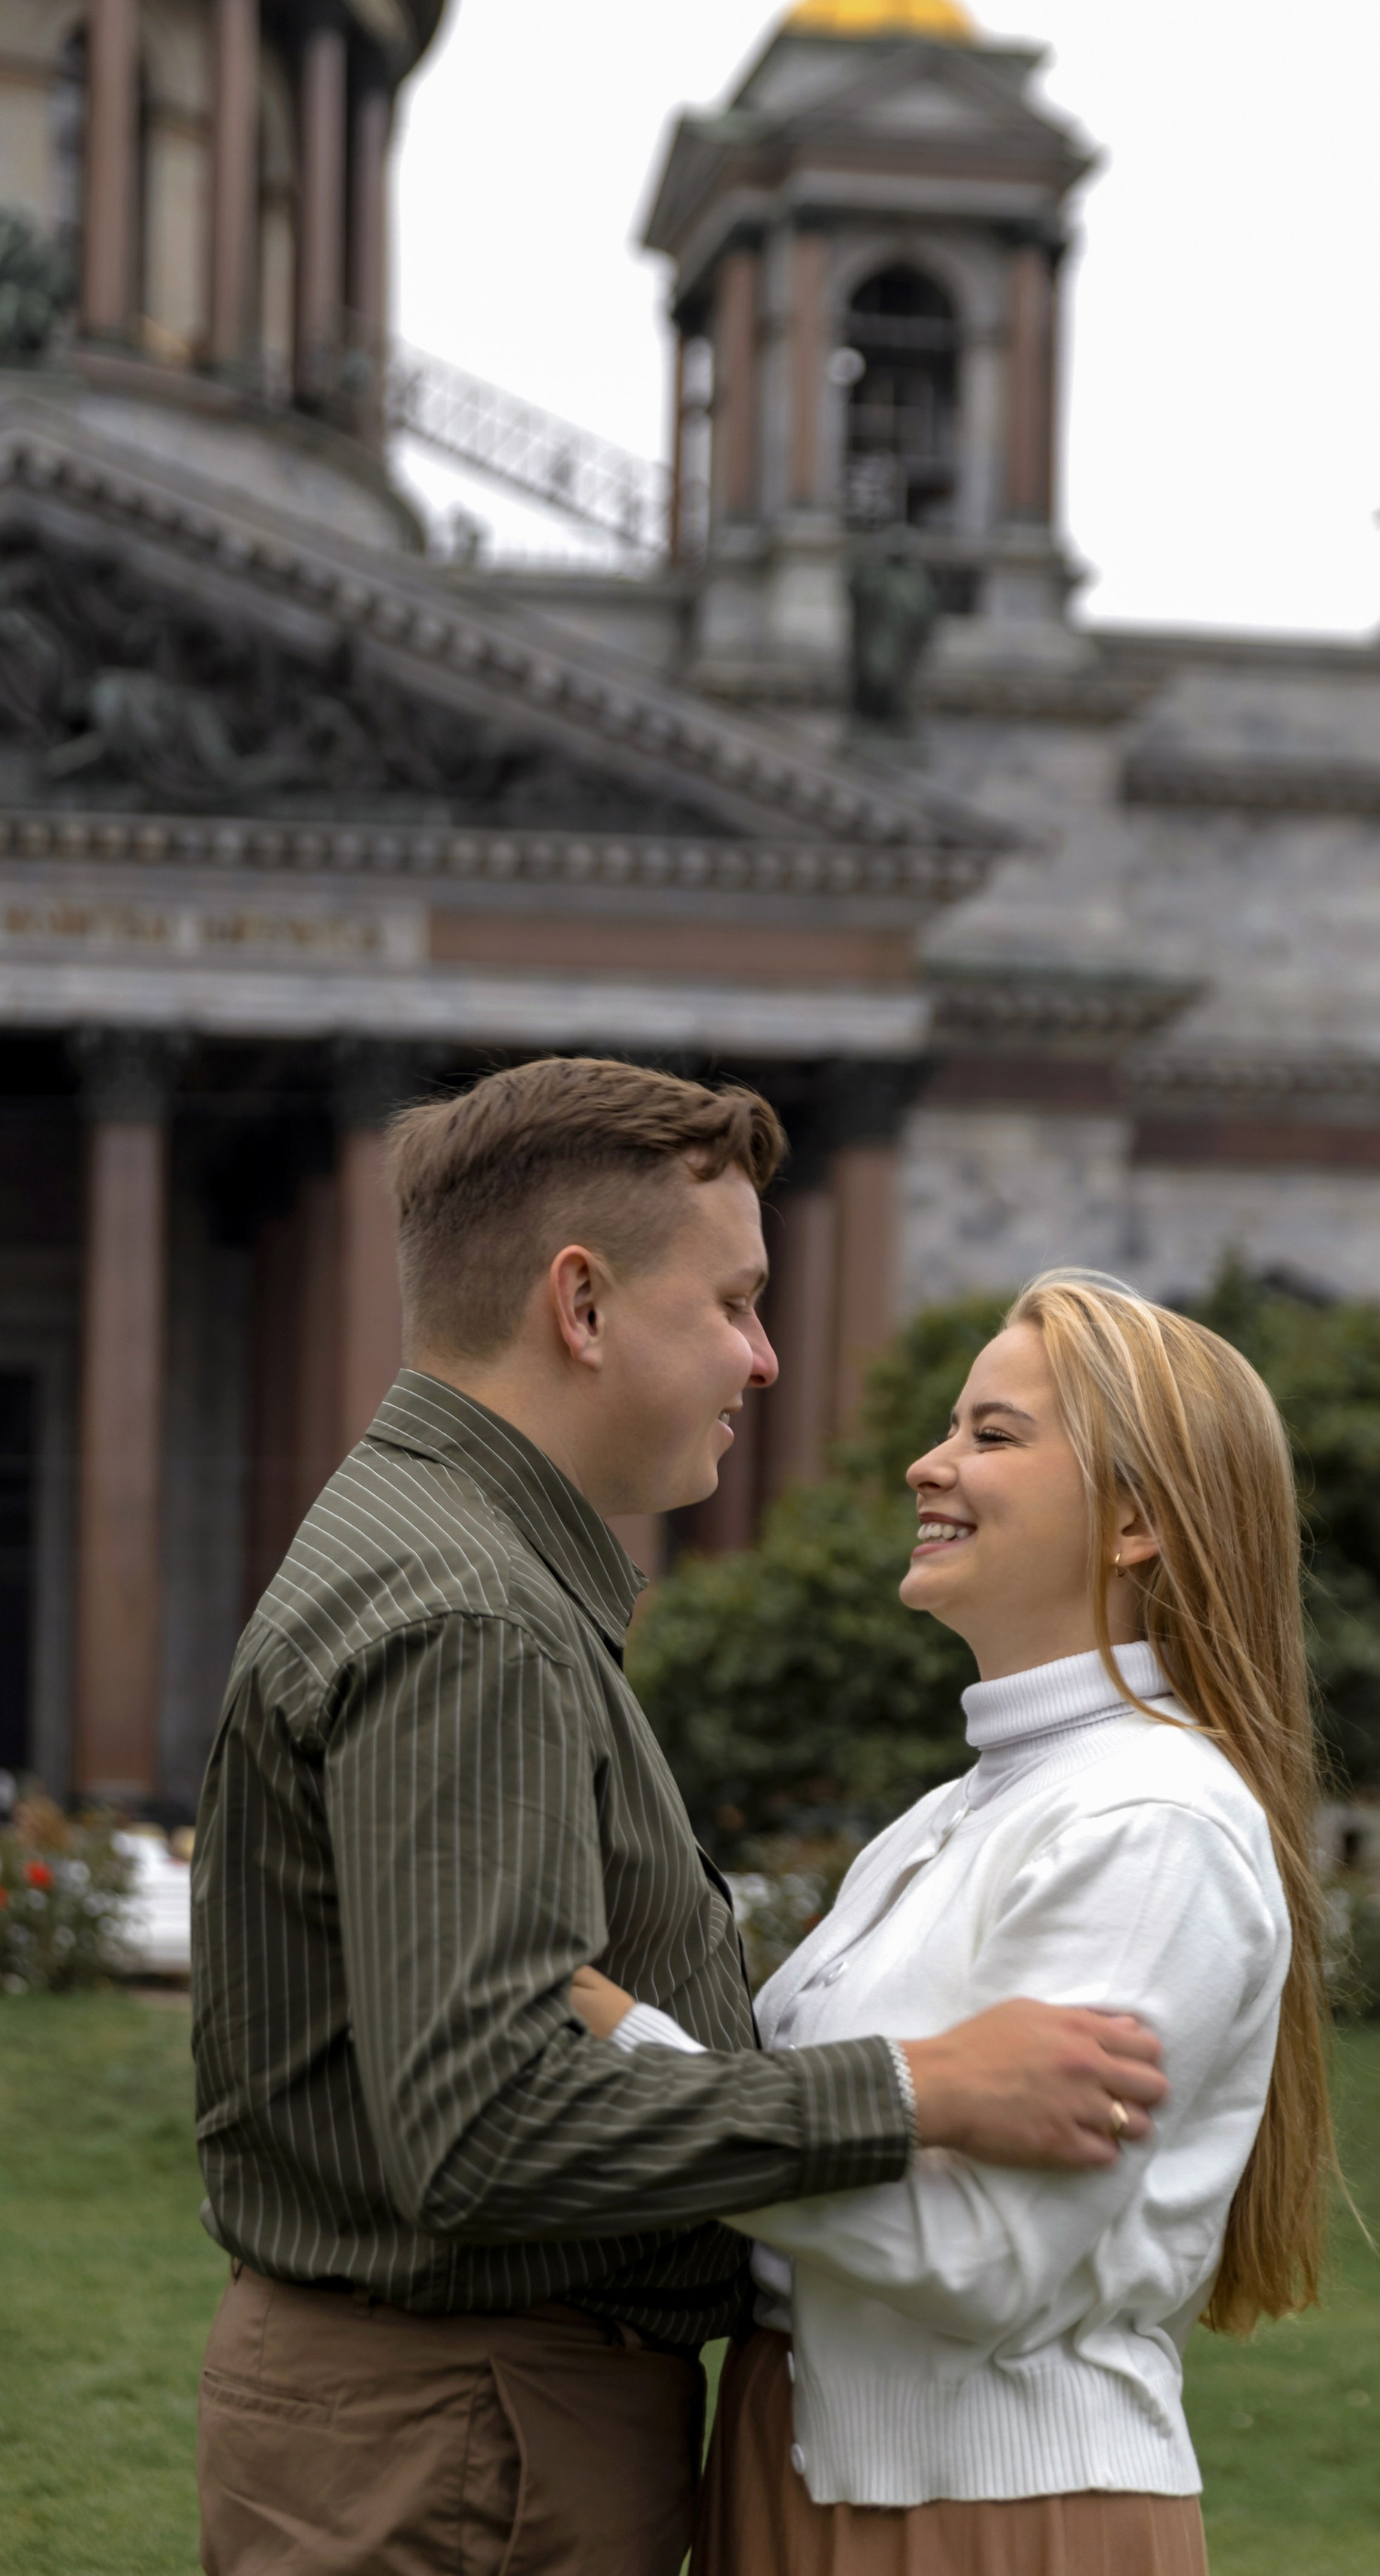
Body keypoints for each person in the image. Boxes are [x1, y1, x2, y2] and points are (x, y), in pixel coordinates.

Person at [191, 1063, 1167, 2576]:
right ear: (580, 1309)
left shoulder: (453, 1558)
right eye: (730, 1303)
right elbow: (487, 2127)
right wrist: (912, 2092)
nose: (767, 1360)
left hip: (442, 2426)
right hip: (471, 2445)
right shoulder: (473, 1613)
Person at [575, 1267, 1336, 2575]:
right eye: (950, 1426)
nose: (929, 1466)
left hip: (986, 2519)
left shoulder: (1151, 1825)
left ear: (1136, 1522)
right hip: (811, 2474)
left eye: (994, 1435)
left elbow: (981, 2257)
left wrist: (622, 2044)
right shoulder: (969, 1808)